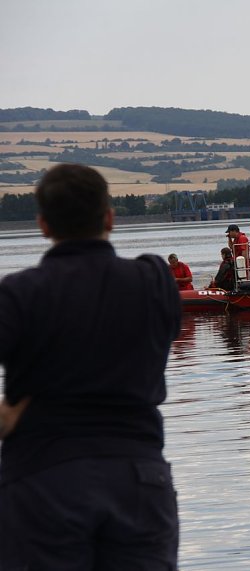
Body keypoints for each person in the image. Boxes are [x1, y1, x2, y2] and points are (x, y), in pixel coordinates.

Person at [0, 163, 181, 568]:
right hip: (139, 477)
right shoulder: (154, 280)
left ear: (43, 225)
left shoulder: (18, 295)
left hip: (44, 477)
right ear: (110, 218)